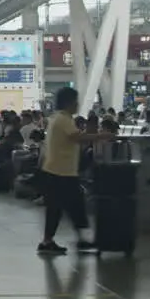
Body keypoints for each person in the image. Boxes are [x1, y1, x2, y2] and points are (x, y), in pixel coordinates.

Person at [38, 87, 112, 255]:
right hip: (61, 171)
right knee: (72, 206)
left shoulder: (57, 118)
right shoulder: (64, 119)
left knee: (62, 207)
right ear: (69, 102)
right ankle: (77, 240)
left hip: (57, 169)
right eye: (76, 101)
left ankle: (54, 241)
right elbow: (77, 137)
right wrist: (101, 136)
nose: (78, 104)